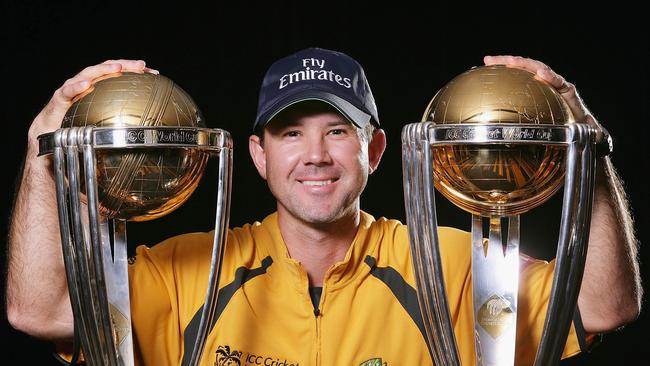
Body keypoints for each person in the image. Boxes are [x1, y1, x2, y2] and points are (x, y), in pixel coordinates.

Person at [6, 49, 641, 365]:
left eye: (337, 131)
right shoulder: (183, 272)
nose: (316, 155)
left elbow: (605, 307)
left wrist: (590, 141)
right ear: (257, 155)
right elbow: (38, 312)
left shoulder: (450, 265)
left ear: (376, 149)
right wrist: (43, 148)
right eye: (291, 133)